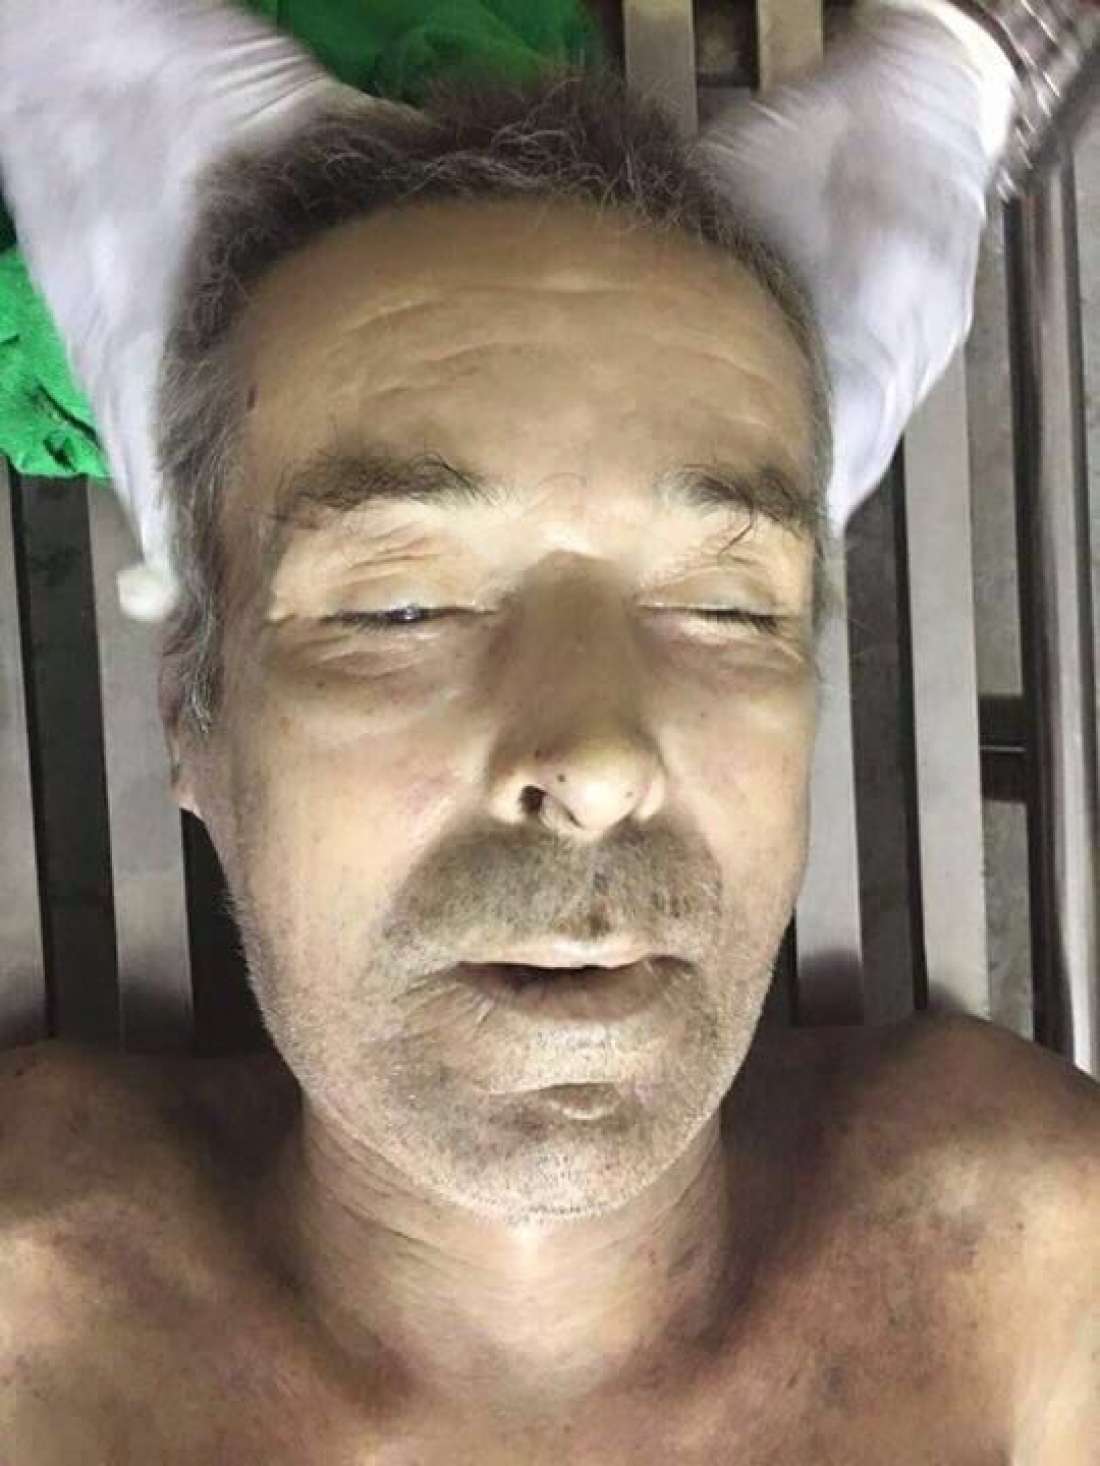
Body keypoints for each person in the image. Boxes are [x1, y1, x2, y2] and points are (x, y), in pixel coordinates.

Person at [0, 1, 1097, 1460]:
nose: (595, 764)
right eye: (399, 607)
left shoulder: (1046, 1263)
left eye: (727, 611)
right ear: (191, 725)